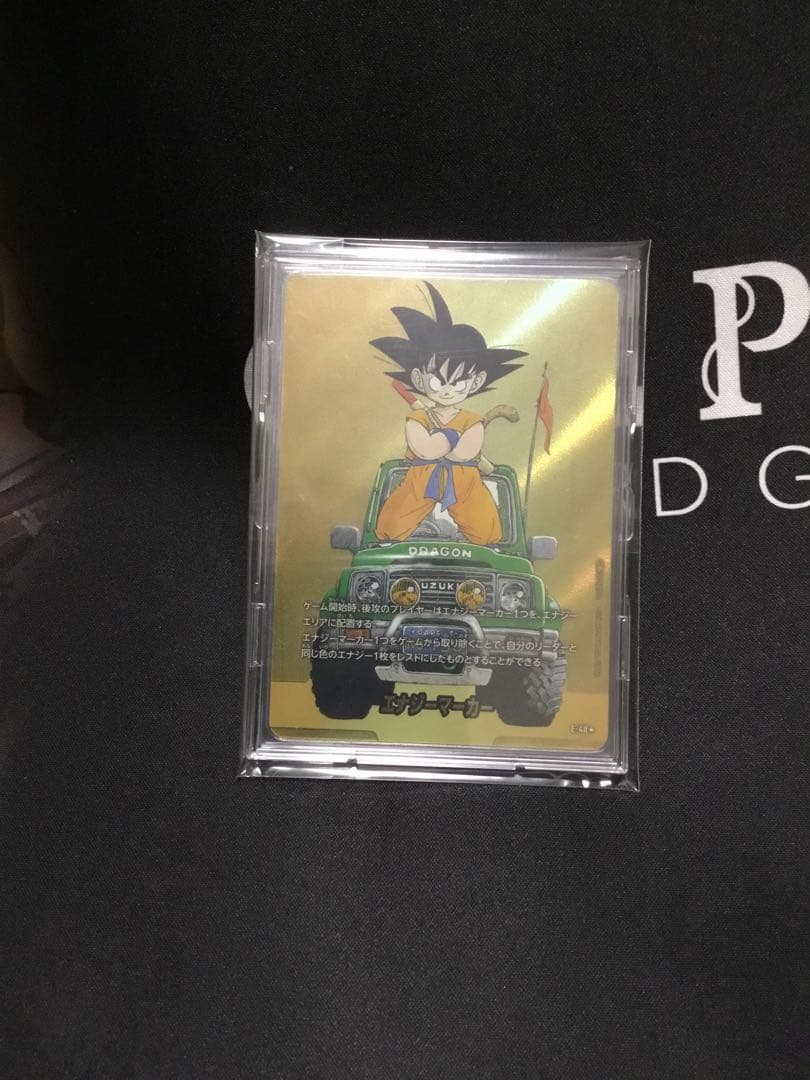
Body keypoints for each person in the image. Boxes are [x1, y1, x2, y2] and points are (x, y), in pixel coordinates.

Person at [371, 282, 525, 545]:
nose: (447, 389)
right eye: (437, 380)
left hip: (465, 483)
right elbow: (426, 449)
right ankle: (388, 540)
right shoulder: (418, 419)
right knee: (389, 530)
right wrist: (451, 437)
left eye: (458, 381)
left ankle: (489, 542)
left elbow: (464, 453)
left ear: (476, 382)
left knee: (487, 534)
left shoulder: (471, 421)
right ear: (418, 379)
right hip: (420, 481)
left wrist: (450, 443)